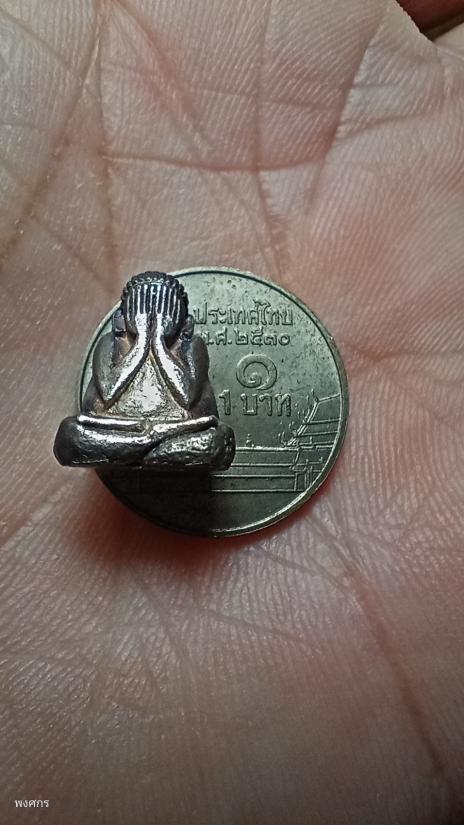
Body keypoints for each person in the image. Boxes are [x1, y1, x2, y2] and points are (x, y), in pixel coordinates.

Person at [1, 1, 464, 823]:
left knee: (205, 440)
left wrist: (165, 394)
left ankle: (145, 452)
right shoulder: (116, 347)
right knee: (81, 433)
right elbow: (101, 405)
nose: (149, 320)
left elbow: (194, 409)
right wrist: (136, 378)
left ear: (174, 312)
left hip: (172, 433)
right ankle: (144, 451)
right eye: (143, 309)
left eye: (158, 311)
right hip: (127, 430)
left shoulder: (189, 348)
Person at [54, 272, 235, 468]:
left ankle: (132, 451)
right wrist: (141, 341)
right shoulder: (110, 344)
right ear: (121, 319)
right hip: (122, 429)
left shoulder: (192, 346)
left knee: (218, 442)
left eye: (165, 308)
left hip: (178, 429)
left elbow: (187, 397)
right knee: (69, 436)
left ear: (185, 322)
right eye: (141, 306)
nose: (153, 316)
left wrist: (158, 342)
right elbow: (108, 393)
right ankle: (150, 446)